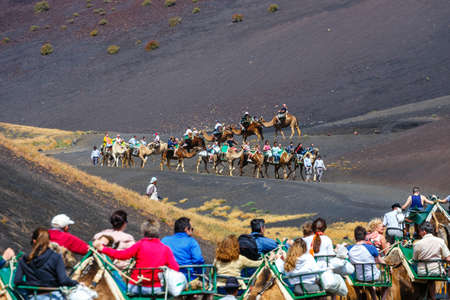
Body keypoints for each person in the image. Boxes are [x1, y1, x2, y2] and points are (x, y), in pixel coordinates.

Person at [94, 217, 179, 295]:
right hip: (156, 288)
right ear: (157, 232)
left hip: (137, 286)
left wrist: (103, 249)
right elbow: (175, 267)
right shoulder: (165, 249)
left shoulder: (140, 245)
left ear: (144, 232)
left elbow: (122, 255)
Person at [14, 228, 78, 299]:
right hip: (53, 296)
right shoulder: (56, 257)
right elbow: (63, 280)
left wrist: (32, 286)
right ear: (49, 242)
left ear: (34, 241)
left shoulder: (24, 259)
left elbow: (17, 281)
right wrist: (76, 283)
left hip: (34, 297)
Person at [347, 226, 388, 300]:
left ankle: (374, 297)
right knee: (387, 280)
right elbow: (380, 261)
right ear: (365, 236)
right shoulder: (371, 248)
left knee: (367, 279)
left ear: (355, 237)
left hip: (358, 277)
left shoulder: (349, 249)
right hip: (372, 277)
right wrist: (388, 267)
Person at [413, 222, 450, 300]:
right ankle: (432, 296)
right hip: (437, 271)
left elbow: (415, 259)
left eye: (419, 231)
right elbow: (448, 258)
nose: (419, 233)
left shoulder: (418, 244)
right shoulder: (440, 241)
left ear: (424, 232)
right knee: (432, 279)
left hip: (422, 272)